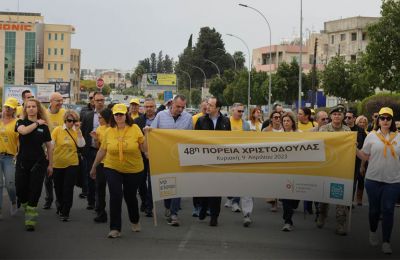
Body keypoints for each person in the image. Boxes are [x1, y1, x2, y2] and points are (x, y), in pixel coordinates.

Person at [90, 103, 146, 238]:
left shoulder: (135, 128)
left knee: (130, 196)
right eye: (116, 114)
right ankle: (115, 228)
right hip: (112, 166)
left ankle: (134, 219)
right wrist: (94, 167)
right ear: (113, 116)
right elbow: (103, 150)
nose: (119, 116)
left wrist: (147, 135)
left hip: (133, 168)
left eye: (121, 114)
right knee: (115, 195)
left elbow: (144, 149)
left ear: (126, 115)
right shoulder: (109, 131)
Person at [356, 107, 400, 255]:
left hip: (393, 181)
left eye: (388, 118)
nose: (385, 121)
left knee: (388, 210)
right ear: (378, 120)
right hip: (373, 179)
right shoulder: (372, 136)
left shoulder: (399, 137)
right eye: (382, 118)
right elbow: (365, 155)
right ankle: (373, 231)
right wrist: (354, 150)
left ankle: (386, 241)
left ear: (392, 120)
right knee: (374, 210)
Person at [150, 95, 193, 227]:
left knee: (178, 186)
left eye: (182, 107)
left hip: (180, 157)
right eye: (177, 106)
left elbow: (190, 137)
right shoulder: (161, 115)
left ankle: (174, 214)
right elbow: (152, 132)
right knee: (167, 185)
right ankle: (168, 206)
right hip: (163, 156)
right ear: (171, 104)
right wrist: (147, 131)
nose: (180, 109)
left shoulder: (188, 118)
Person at [15, 98, 53, 231]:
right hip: (22, 162)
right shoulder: (20, 122)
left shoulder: (44, 127)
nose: (31, 108)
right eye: (28, 106)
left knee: (35, 190)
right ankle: (27, 207)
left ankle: (30, 220)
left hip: (39, 163)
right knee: (20, 189)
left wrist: (50, 165)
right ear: (25, 109)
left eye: (33, 106)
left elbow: (49, 147)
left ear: (38, 109)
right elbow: (23, 131)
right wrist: (37, 123)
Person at [195, 96, 231, 226]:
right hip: (204, 160)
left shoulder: (226, 121)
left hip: (219, 161)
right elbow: (195, 140)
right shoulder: (201, 121)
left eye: (210, 105)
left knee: (216, 189)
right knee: (204, 188)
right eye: (207, 104)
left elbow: (229, 141)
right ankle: (203, 208)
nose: (207, 107)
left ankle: (214, 216)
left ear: (217, 108)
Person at [317, 105, 351, 236]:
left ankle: (340, 224)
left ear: (343, 117)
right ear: (331, 116)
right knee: (324, 196)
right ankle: (322, 216)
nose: (337, 116)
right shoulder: (324, 129)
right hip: (327, 166)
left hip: (341, 167)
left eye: (339, 114)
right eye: (335, 114)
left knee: (340, 197)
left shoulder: (347, 130)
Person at [51, 110, 85, 221]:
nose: (72, 123)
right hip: (58, 163)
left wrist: (79, 131)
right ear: (65, 120)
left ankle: (66, 211)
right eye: (70, 121)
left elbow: (81, 144)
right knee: (58, 188)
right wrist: (49, 161)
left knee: (68, 188)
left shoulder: (77, 131)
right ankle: (60, 205)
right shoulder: (57, 130)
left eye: (74, 121)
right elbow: (51, 145)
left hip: (72, 163)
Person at [133, 98, 159, 217]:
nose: (149, 109)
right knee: (140, 181)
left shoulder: (160, 120)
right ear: (143, 107)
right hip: (141, 155)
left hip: (156, 154)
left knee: (152, 181)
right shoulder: (138, 121)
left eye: (151, 106)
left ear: (155, 107)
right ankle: (144, 201)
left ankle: (150, 206)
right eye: (147, 106)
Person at [81, 92, 105, 210]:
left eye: (102, 100)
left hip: (105, 151)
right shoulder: (88, 116)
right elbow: (83, 132)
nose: (100, 102)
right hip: (90, 150)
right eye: (97, 100)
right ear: (93, 102)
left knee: (101, 179)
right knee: (91, 175)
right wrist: (82, 151)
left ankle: (100, 203)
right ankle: (91, 200)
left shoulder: (109, 115)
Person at [43, 92, 66, 210]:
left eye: (61, 100)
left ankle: (59, 202)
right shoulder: (44, 114)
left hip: (61, 152)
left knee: (58, 179)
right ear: (51, 101)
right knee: (48, 178)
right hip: (47, 151)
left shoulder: (65, 113)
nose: (60, 103)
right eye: (58, 100)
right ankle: (49, 199)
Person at [90, 108, 113, 223]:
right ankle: (101, 212)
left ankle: (114, 212)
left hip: (113, 163)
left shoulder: (114, 128)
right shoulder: (99, 128)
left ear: (107, 118)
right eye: (98, 117)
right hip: (101, 162)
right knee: (100, 187)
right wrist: (95, 140)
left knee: (114, 190)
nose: (98, 119)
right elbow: (98, 147)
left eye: (100, 117)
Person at [280, 112, 301, 231]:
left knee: (294, 197)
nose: (286, 123)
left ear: (292, 122)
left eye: (288, 121)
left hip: (297, 169)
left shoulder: (299, 134)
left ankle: (292, 207)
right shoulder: (278, 135)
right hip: (283, 169)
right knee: (286, 195)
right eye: (284, 121)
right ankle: (287, 221)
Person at [0, 97, 19, 220]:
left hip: (10, 157)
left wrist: (19, 153)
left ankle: (13, 201)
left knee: (10, 184)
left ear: (14, 110)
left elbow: (20, 140)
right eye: (6, 107)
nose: (7, 110)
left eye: (10, 108)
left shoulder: (17, 122)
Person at [345, 110, 368, 207]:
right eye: (346, 117)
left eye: (349, 117)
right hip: (344, 160)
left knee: (355, 181)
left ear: (354, 118)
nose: (347, 119)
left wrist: (362, 164)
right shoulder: (343, 129)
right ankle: (346, 200)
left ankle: (350, 202)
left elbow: (365, 146)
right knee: (346, 181)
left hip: (357, 160)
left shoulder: (360, 130)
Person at [262, 110, 283, 212]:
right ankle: (273, 202)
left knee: (280, 180)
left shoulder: (285, 130)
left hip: (283, 158)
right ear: (271, 119)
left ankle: (279, 199)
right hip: (270, 158)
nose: (278, 119)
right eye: (275, 117)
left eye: (279, 117)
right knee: (272, 180)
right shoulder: (266, 130)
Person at [191, 98, 208, 217]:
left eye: (208, 107)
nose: (206, 109)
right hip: (198, 154)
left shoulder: (213, 119)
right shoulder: (196, 118)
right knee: (197, 182)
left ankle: (206, 207)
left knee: (208, 183)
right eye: (204, 107)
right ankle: (196, 207)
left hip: (210, 155)